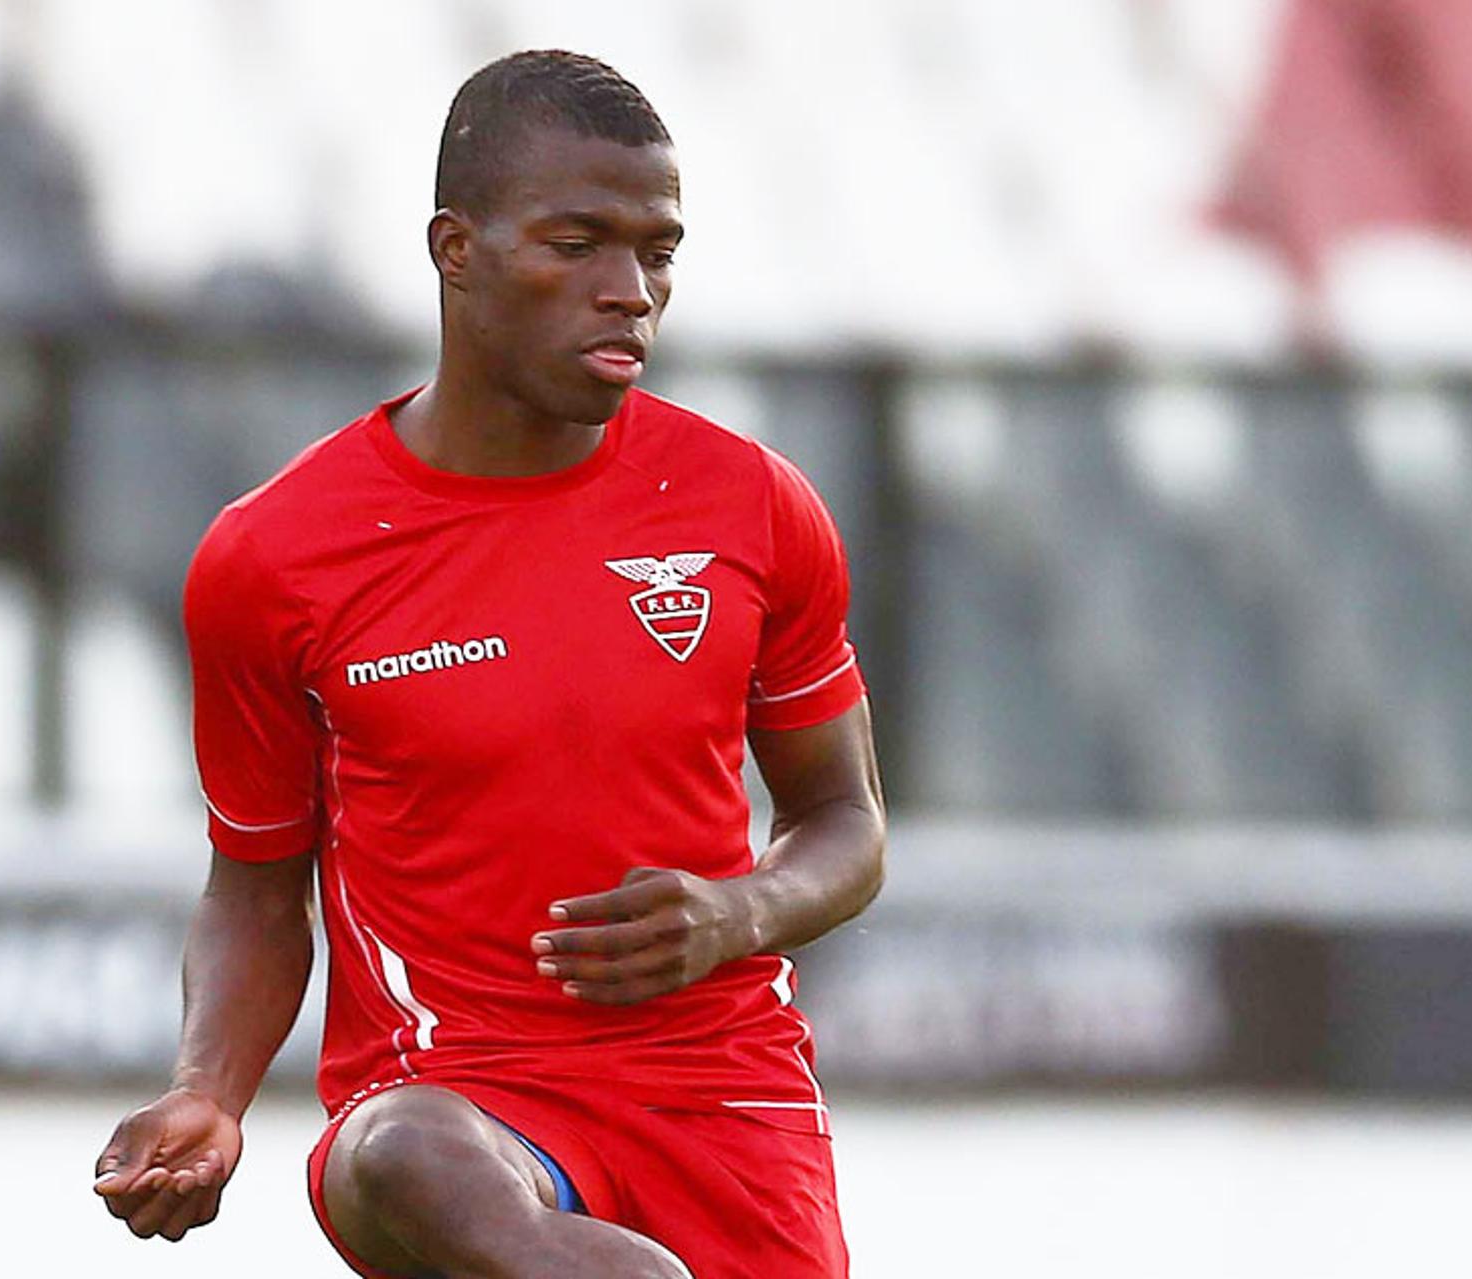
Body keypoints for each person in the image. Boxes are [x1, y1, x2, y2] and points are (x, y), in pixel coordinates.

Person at [92, 49, 885, 1279]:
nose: (630, 291)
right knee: (402, 1150)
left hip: (724, 1101)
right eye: (577, 244)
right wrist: (210, 1091)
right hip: (451, 1100)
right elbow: (254, 888)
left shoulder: (752, 507)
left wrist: (738, 910)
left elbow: (846, 823)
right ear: (455, 248)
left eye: (657, 251)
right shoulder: (277, 556)